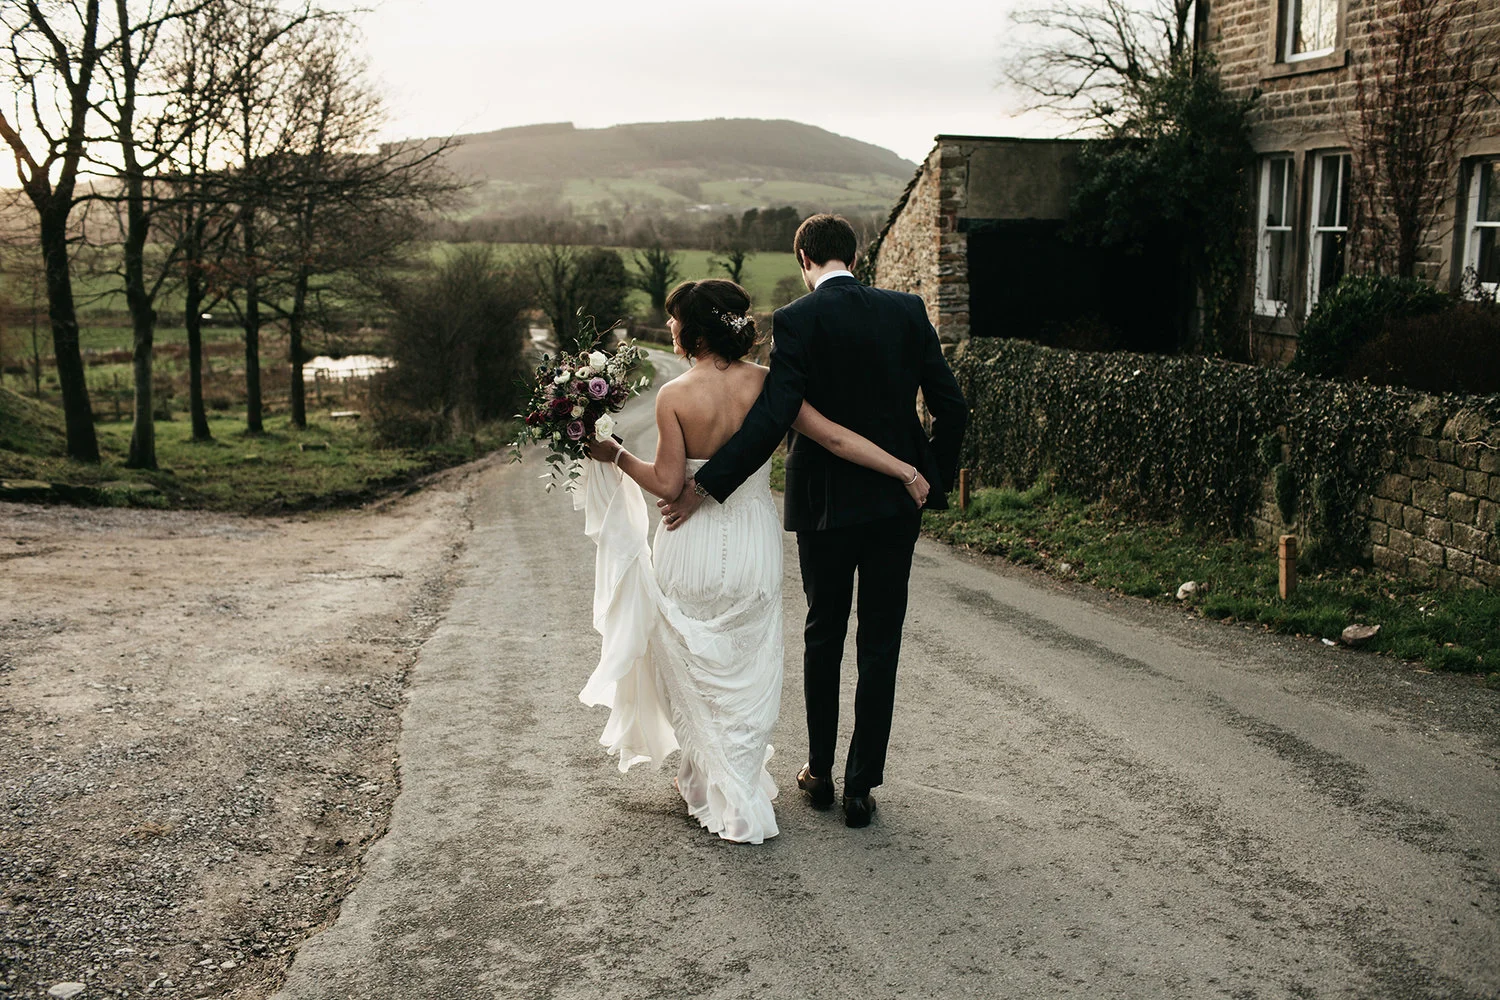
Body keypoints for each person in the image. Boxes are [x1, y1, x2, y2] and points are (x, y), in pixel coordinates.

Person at [580, 278, 931, 844]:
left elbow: (669, 485)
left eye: (673, 320)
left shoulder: (674, 396)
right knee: (745, 662)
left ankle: (705, 778)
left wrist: (616, 453)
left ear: (692, 330)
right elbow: (838, 440)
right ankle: (730, 774)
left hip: (689, 543)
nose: (669, 328)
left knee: (696, 657)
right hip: (750, 543)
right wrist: (905, 470)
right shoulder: (769, 385)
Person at [659, 215, 967, 828]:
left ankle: (820, 773)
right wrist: (926, 481)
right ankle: (861, 788)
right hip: (892, 506)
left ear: (803, 257)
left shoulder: (796, 321)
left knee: (823, 630)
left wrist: (706, 487)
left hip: (824, 505)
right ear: (856, 254)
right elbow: (950, 406)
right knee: (881, 640)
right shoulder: (907, 310)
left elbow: (774, 417)